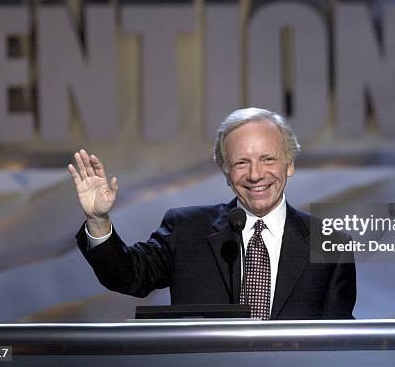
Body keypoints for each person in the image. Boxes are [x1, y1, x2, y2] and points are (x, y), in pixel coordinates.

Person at [69, 108, 356, 319]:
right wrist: (98, 220)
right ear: (226, 173)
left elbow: (339, 342)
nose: (256, 175)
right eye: (241, 163)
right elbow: (129, 275)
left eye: (267, 159)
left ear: (289, 165)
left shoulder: (329, 243)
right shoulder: (187, 229)